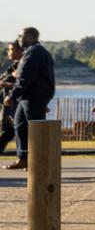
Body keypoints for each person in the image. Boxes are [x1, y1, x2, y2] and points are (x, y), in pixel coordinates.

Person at [7, 27, 55, 171]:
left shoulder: (34, 53)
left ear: (29, 36)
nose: (18, 37)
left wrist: (12, 95)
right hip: (30, 95)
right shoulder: (36, 52)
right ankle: (24, 158)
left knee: (36, 128)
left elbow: (25, 77)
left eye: (20, 35)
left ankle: (40, 161)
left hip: (33, 95)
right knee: (19, 124)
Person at [0, 40, 20, 158]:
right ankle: (23, 157)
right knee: (9, 131)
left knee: (14, 130)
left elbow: (24, 84)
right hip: (7, 103)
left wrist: (4, 84)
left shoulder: (22, 66)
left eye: (11, 49)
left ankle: (24, 158)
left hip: (15, 103)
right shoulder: (13, 66)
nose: (9, 52)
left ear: (19, 51)